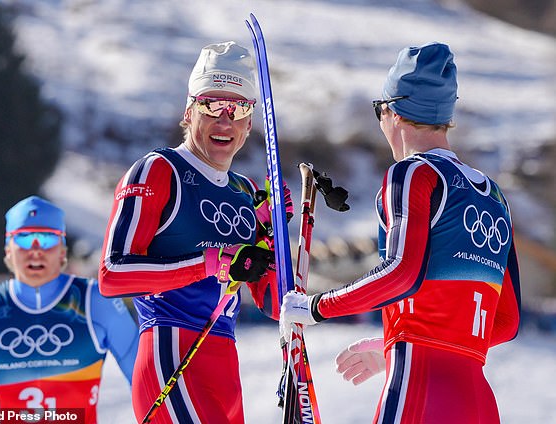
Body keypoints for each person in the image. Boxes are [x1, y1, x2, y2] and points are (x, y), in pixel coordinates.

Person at [280, 42, 521, 423]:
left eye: (379, 110)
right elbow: (506, 322)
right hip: (477, 400)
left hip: (420, 386)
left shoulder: (413, 174)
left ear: (393, 111)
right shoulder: (494, 196)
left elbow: (401, 273)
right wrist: (392, 343)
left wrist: (316, 307)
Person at [98, 41, 291, 423]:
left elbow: (273, 304)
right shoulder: (158, 170)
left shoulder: (246, 191)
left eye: (238, 109)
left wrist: (276, 233)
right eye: (212, 105)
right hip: (171, 355)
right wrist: (210, 263)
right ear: (189, 112)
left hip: (225, 364)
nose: (225, 121)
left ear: (249, 123)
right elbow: (112, 275)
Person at [0, 196, 139, 424]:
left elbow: (141, 379)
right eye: (24, 239)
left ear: (62, 251)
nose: (36, 251)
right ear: (8, 250)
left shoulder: (95, 301)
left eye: (47, 239)